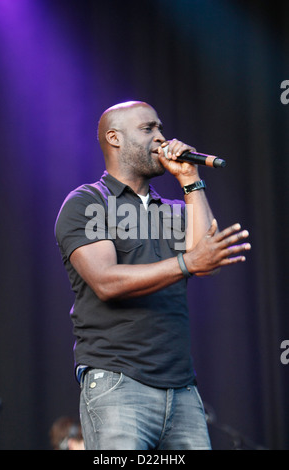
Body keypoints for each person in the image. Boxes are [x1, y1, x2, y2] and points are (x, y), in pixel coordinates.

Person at [55, 101, 251, 450]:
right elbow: (106, 281)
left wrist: (191, 180)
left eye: (160, 128)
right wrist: (187, 263)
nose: (161, 138)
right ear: (114, 138)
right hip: (118, 382)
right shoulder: (86, 202)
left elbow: (206, 257)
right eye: (148, 129)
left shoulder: (174, 210)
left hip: (182, 389)